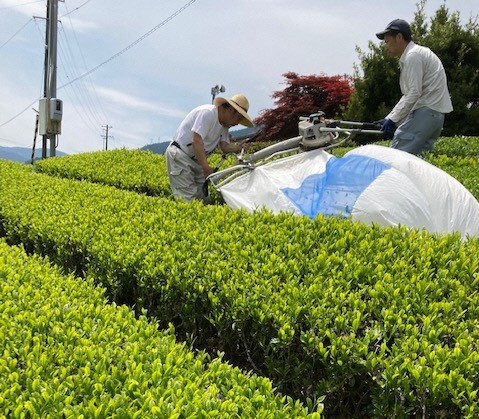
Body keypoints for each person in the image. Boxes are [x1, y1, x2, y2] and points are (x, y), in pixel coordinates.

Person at [376, 19, 453, 155]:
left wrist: (393, 120)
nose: (385, 46)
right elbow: (409, 94)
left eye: (387, 41)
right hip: (435, 115)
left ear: (399, 37)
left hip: (426, 111)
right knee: (417, 162)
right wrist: (391, 117)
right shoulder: (415, 54)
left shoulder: (413, 56)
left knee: (397, 158)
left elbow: (414, 92)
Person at [166, 94, 254, 202]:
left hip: (197, 161)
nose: (237, 123)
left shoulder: (224, 126)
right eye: (238, 118)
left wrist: (238, 147)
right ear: (231, 110)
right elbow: (197, 141)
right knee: (187, 200)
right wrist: (206, 167)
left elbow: (225, 147)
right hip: (181, 155)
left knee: (203, 199)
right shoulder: (207, 113)